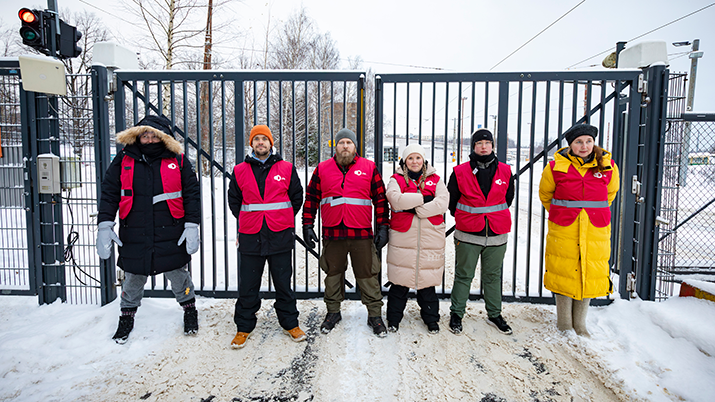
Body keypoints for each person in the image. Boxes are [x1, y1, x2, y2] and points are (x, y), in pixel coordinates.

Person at [96, 115, 201, 344]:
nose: (150, 138)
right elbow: (110, 191)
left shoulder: (178, 160)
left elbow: (192, 193)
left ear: (163, 137)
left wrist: (192, 224)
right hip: (135, 229)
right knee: (133, 276)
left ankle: (189, 310)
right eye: (146, 134)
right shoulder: (124, 159)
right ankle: (126, 317)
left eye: (155, 135)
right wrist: (105, 223)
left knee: (178, 274)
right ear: (138, 135)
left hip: (170, 230)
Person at [302, 128, 390, 337]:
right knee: (333, 274)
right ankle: (333, 312)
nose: (345, 146)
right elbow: (311, 199)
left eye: (348, 143)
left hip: (361, 234)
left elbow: (380, 200)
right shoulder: (322, 169)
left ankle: (375, 315)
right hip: (333, 234)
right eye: (341, 142)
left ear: (354, 146)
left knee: (368, 274)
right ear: (336, 146)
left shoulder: (369, 168)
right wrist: (307, 225)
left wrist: (383, 227)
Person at [227, 125, 305, 349]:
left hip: (279, 233)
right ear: (251, 143)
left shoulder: (286, 168)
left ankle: (290, 323)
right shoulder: (240, 170)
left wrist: (282, 217)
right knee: (248, 284)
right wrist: (250, 218)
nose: (261, 142)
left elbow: (296, 197)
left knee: (283, 283)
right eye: (257, 139)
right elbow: (234, 201)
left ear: (271, 143)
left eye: (265, 139)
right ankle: (244, 327)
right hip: (251, 235)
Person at [539, 124, 620, 337]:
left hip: (595, 229)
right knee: (564, 271)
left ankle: (580, 323)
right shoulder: (556, 166)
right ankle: (564, 321)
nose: (584, 146)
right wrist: (566, 212)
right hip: (565, 227)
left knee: (590, 272)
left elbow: (611, 194)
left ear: (594, 143)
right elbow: (545, 195)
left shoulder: (608, 165)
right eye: (579, 142)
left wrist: (588, 212)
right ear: (571, 145)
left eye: (588, 141)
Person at [447, 129, 515, 335]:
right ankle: (456, 314)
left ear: (492, 146)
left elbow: (508, 199)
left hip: (496, 233)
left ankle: (494, 314)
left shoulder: (505, 171)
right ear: (473, 146)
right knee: (463, 275)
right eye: (479, 143)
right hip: (468, 233)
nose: (483, 146)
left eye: (487, 142)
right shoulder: (459, 172)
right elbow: (452, 203)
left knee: (492, 276)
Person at [385, 144, 448, 334]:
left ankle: (431, 319)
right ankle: (394, 319)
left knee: (427, 284)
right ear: (404, 161)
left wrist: (412, 206)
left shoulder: (436, 180)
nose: (414, 162)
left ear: (424, 160)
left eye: (418, 158)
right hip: (403, 237)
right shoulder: (395, 179)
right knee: (400, 282)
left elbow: (443, 202)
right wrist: (426, 199)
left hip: (430, 237)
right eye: (410, 158)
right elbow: (396, 200)